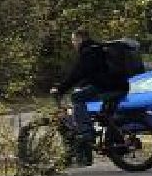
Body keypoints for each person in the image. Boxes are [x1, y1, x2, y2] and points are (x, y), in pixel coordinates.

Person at [53, 31, 129, 166]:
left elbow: (77, 73)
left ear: (80, 39)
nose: (73, 43)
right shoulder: (98, 49)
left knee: (76, 98)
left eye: (73, 40)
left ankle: (86, 132)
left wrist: (60, 89)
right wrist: (83, 85)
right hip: (120, 86)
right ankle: (111, 143)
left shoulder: (88, 52)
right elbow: (93, 74)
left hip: (109, 87)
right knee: (105, 116)